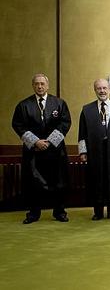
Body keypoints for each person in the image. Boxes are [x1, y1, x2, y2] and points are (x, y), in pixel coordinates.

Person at [12, 73, 71, 224]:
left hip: (56, 151)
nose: (39, 86)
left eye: (42, 84)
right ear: (33, 86)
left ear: (47, 85)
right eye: (36, 84)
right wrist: (36, 142)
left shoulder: (59, 103)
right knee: (33, 183)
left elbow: (65, 123)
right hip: (34, 152)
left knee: (59, 181)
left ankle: (59, 212)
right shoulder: (24, 105)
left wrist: (49, 142)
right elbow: (18, 125)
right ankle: (33, 213)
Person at [78, 79, 110, 220]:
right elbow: (82, 133)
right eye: (99, 88)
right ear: (95, 90)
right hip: (95, 153)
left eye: (104, 88)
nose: (102, 91)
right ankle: (98, 212)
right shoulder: (86, 110)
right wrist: (83, 151)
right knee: (96, 180)